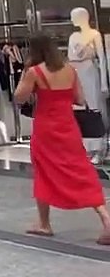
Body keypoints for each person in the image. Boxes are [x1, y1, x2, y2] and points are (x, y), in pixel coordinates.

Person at [15, 33, 110, 245]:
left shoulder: (34, 72)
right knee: (81, 170)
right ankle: (105, 217)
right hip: (68, 127)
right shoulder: (70, 70)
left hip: (46, 129)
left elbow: (19, 97)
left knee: (43, 170)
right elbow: (80, 99)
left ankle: (44, 223)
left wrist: (26, 75)